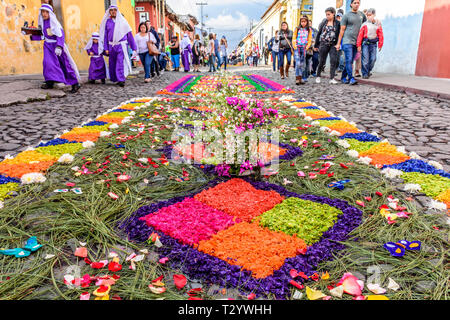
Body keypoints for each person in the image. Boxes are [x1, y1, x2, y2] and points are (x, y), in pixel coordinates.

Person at [30, 3, 80, 93]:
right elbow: (42, 36)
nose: (44, 14)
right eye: (43, 12)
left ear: (50, 13)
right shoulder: (42, 22)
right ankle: (50, 81)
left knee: (64, 64)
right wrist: (31, 36)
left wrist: (59, 46)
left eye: (46, 12)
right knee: (47, 63)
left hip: (57, 46)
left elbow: (60, 35)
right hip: (47, 46)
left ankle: (75, 83)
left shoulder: (54, 23)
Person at [99, 5, 137, 87]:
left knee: (120, 62)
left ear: (117, 11)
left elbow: (129, 34)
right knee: (112, 63)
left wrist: (134, 47)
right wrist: (105, 48)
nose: (113, 11)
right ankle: (115, 78)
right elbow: (106, 35)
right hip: (111, 46)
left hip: (121, 46)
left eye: (115, 10)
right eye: (111, 10)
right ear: (109, 12)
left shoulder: (123, 22)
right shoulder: (108, 22)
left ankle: (121, 79)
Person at [336, 0, 367, 85]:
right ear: (351, 4)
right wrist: (339, 43)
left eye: (358, 3)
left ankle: (343, 77)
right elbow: (342, 30)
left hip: (357, 42)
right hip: (347, 41)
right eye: (355, 3)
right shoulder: (346, 16)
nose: (357, 4)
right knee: (349, 60)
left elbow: (365, 26)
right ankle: (351, 78)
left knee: (350, 61)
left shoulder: (361, 15)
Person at [315, 7, 341, 84]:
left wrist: (338, 44)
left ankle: (332, 78)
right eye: (326, 14)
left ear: (333, 14)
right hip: (323, 44)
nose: (327, 16)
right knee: (322, 61)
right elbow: (319, 33)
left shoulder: (337, 23)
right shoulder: (324, 22)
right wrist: (316, 45)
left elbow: (340, 33)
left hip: (333, 44)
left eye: (329, 14)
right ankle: (318, 76)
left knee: (333, 61)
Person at [357, 8, 384, 79]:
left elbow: (380, 34)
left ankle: (368, 71)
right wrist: (358, 45)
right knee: (365, 60)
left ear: (374, 15)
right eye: (367, 15)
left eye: (370, 15)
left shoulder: (378, 24)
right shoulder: (364, 24)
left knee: (373, 59)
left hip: (373, 44)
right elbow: (360, 35)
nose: (369, 17)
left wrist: (380, 44)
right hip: (365, 43)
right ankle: (365, 73)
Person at [293, 16, 312, 85]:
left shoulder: (309, 29)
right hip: (297, 48)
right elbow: (294, 38)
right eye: (302, 22)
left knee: (302, 64)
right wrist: (295, 46)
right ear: (300, 22)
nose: (303, 23)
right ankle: (297, 78)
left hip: (304, 48)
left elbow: (309, 39)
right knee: (298, 63)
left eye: (304, 22)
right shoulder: (297, 29)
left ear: (306, 22)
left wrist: (307, 47)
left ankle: (300, 78)